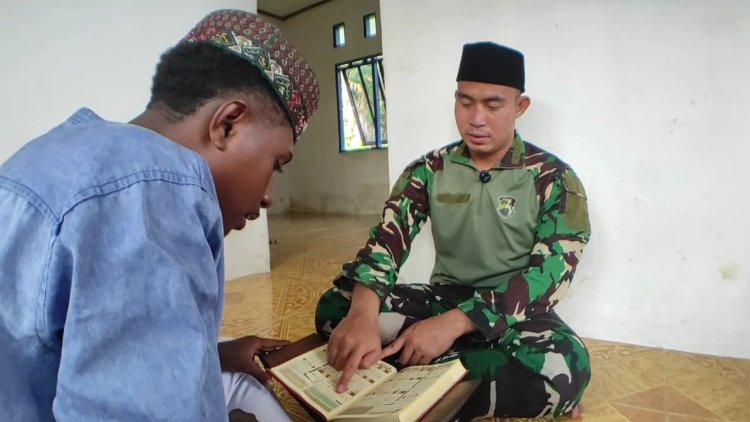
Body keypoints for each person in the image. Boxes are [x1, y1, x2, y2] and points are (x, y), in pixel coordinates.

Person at [0, 10, 318, 421]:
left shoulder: (61, 151)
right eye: (276, 164)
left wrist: (219, 352)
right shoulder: (154, 195)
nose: (268, 196)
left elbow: (68, 345)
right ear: (227, 125)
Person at [316, 42, 591, 420]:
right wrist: (363, 314)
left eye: (493, 105)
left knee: (568, 366)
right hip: (445, 296)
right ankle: (458, 376)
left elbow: (550, 275)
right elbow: (386, 243)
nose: (476, 119)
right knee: (336, 307)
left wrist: (453, 325)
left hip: (512, 313)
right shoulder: (429, 170)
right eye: (465, 102)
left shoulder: (554, 178)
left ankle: (413, 369)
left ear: (520, 107)